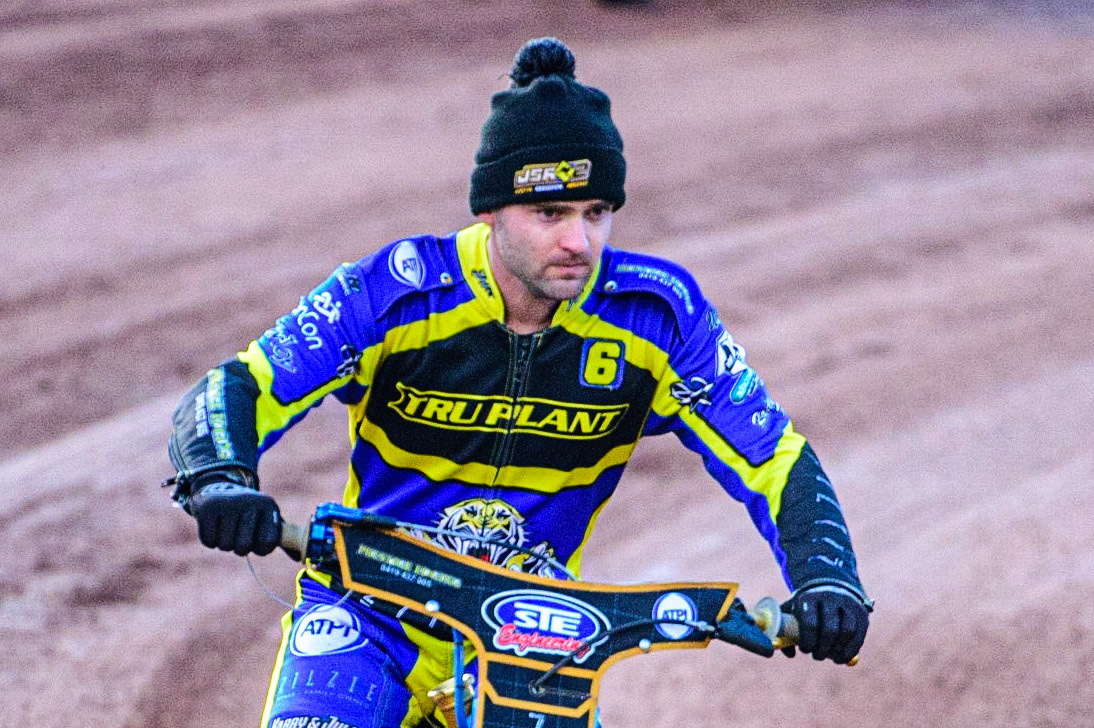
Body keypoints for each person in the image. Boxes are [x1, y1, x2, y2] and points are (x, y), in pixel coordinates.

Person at [166, 37, 872, 728]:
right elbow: (242, 385)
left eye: (596, 214)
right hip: (368, 612)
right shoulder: (397, 292)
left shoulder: (658, 315)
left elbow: (773, 456)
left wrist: (828, 577)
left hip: (537, 633)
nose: (579, 242)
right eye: (550, 213)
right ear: (491, 210)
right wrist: (222, 476)